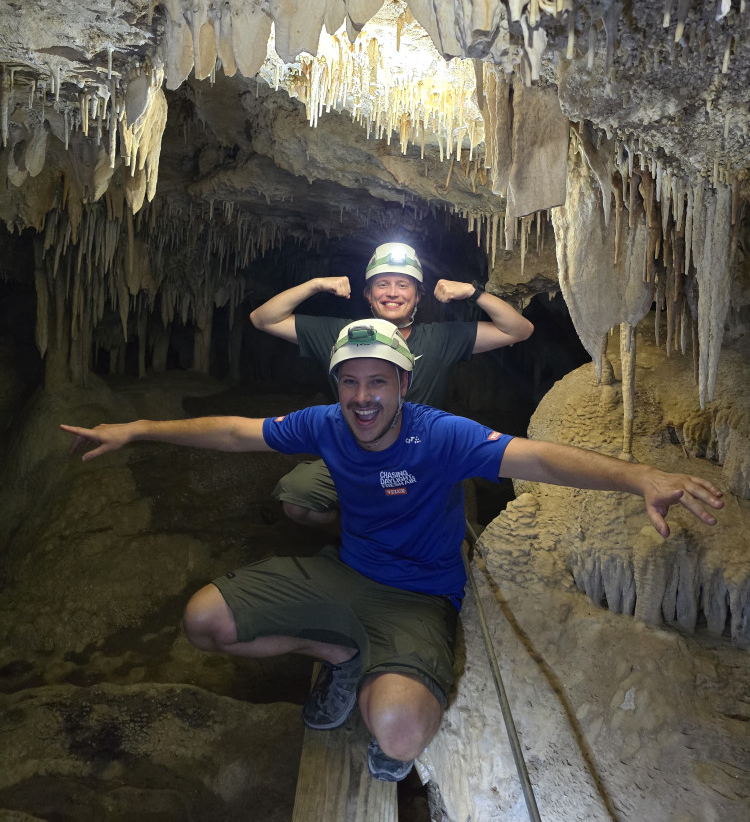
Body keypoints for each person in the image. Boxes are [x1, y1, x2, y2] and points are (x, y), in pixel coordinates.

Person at [61, 319, 724, 783]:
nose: (361, 398)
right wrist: (140, 429)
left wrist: (639, 476)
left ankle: (375, 665)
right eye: (349, 383)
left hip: (419, 598)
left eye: (377, 382)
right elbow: (238, 434)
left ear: (404, 385)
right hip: (346, 575)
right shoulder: (327, 424)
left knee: (399, 734)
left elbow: (541, 457)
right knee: (203, 620)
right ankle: (343, 653)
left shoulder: (441, 436)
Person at [248, 241, 535, 526]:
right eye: (382, 284)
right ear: (369, 295)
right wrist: (314, 284)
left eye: (403, 284)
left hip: (417, 457)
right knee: (296, 499)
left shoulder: (440, 338)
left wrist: (473, 292)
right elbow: (263, 319)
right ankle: (352, 532)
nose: (393, 293)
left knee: (418, 514)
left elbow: (519, 330)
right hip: (354, 456)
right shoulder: (344, 335)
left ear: (418, 296)